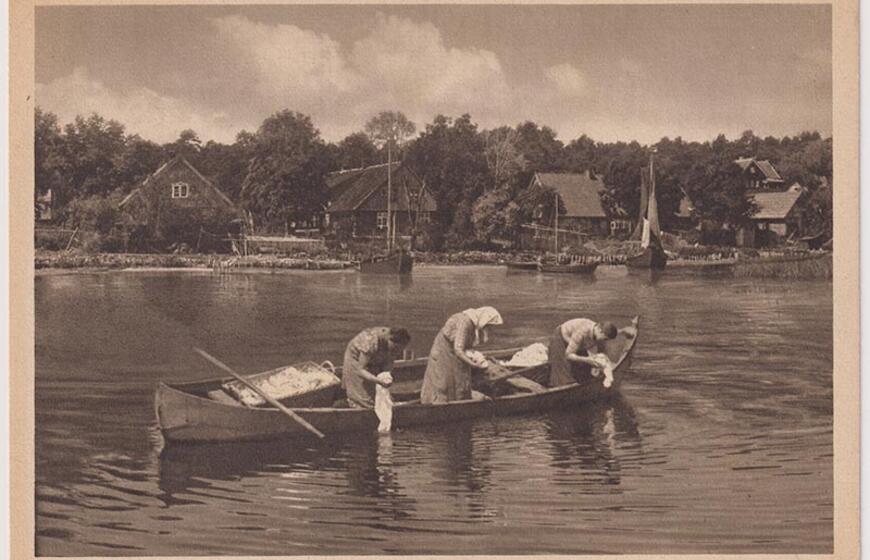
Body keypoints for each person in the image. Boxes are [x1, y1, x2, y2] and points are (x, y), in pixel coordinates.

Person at [421, 307, 503, 404]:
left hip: (455, 351)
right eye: (489, 325)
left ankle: (459, 401)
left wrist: (477, 357)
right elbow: (458, 349)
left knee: (461, 378)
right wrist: (473, 364)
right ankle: (439, 404)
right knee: (444, 379)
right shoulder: (465, 322)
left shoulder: (474, 324)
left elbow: (465, 346)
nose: (489, 328)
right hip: (444, 351)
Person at [342, 327, 411, 408]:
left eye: (399, 350)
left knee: (376, 396)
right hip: (356, 358)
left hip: (376, 356)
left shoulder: (394, 344)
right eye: (395, 348)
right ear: (389, 340)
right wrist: (378, 381)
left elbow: (388, 363)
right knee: (363, 400)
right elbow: (360, 370)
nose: (396, 352)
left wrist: (386, 377)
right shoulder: (371, 342)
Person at [548, 318, 619, 387]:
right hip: (560, 338)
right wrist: (587, 360)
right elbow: (568, 355)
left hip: (575, 342)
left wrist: (595, 366)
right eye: (605, 338)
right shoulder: (582, 331)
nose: (604, 341)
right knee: (563, 375)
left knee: (585, 370)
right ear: (600, 331)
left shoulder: (596, 332)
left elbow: (592, 348)